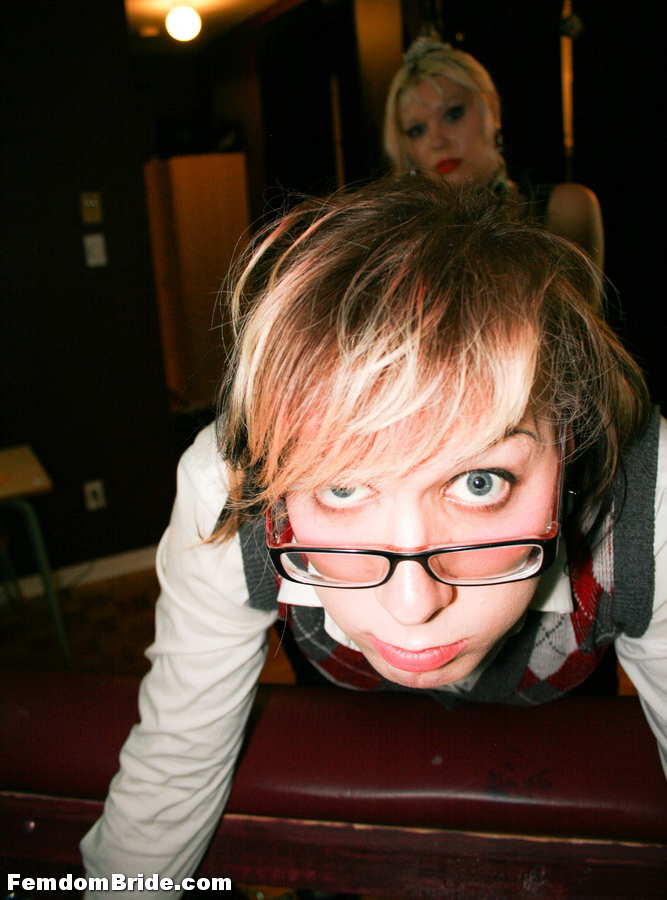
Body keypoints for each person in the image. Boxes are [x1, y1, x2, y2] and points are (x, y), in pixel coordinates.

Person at [82, 175, 664, 895]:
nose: (413, 605)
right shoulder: (229, 490)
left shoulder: (648, 495)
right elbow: (174, 759)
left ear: (569, 440)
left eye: (479, 482)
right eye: (341, 489)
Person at [384, 37, 605, 267]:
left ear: (492, 108)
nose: (437, 141)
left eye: (453, 114)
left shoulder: (565, 208)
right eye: (417, 130)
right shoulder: (397, 240)